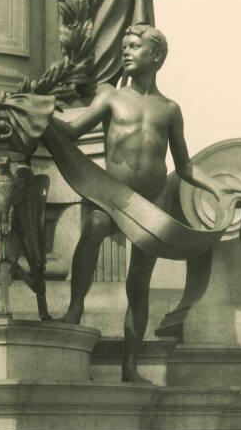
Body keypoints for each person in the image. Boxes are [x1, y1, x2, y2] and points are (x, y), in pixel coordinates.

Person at [55, 24, 225, 382]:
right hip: (112, 196)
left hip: (151, 205)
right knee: (94, 227)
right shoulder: (110, 98)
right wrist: (43, 113)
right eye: (124, 47)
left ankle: (130, 365)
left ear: (156, 56)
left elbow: (185, 165)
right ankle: (74, 308)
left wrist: (218, 189)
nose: (126, 52)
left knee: (139, 283)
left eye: (134, 46)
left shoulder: (170, 109)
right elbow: (72, 132)